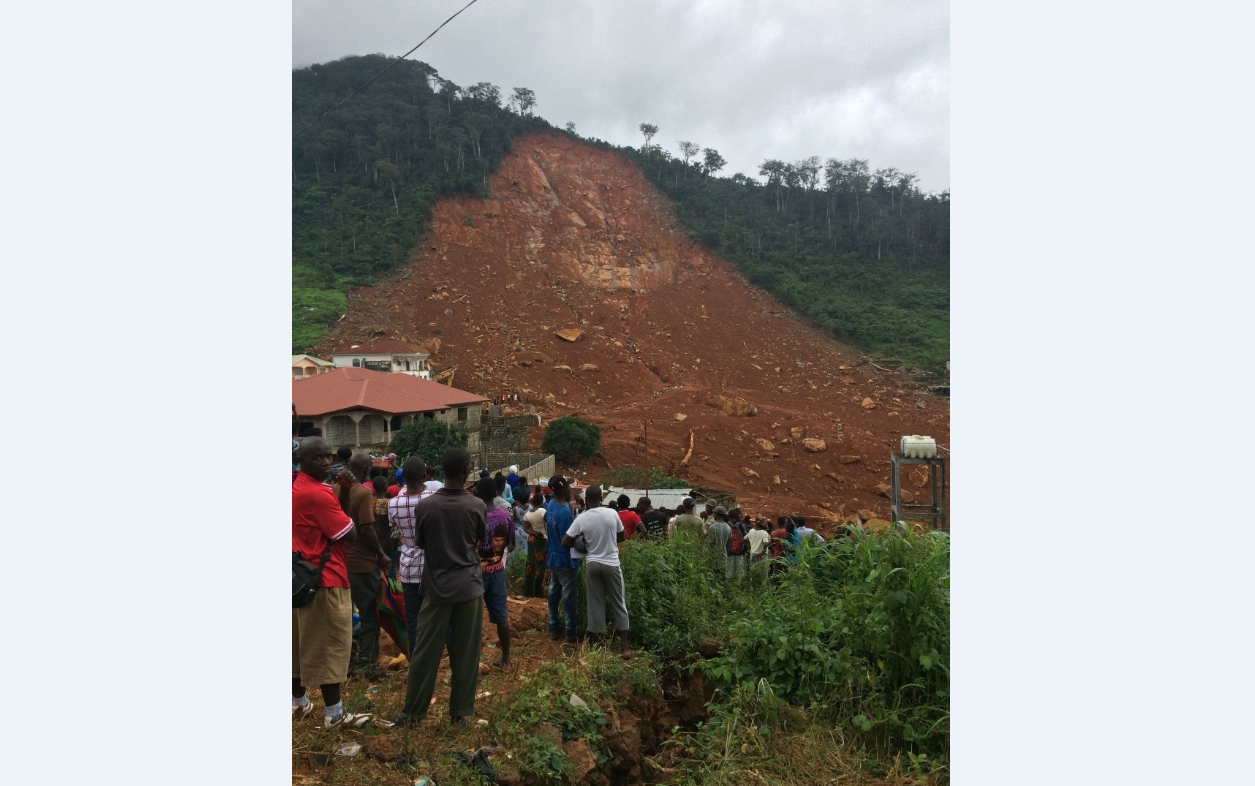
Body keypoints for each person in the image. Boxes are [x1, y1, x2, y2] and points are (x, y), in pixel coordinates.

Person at [394, 447, 486, 728]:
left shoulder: (425, 506)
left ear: (441, 472)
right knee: (465, 653)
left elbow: (420, 543)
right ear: (465, 471)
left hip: (435, 587)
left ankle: (413, 714)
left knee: (425, 652)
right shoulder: (476, 506)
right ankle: (459, 713)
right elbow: (479, 543)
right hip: (469, 587)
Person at [292, 437, 373, 728]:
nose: (326, 462)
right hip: (326, 578)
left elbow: (329, 520)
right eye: (318, 458)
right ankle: (334, 714)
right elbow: (348, 533)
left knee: (299, 643)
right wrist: (347, 494)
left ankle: (298, 703)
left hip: (301, 576)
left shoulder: (297, 487)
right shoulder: (318, 494)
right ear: (302, 460)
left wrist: (342, 491)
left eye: (328, 456)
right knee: (331, 645)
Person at [561, 486, 636, 659]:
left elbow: (565, 542)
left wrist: (581, 544)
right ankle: (624, 648)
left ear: (586, 500)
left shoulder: (582, 518)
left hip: (592, 563)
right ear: (601, 499)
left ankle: (599, 647)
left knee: (595, 604)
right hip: (611, 562)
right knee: (619, 603)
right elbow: (621, 537)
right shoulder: (612, 513)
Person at [340, 453, 390, 679]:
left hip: (342, 562)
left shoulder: (334, 489)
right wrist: (381, 555)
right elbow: (367, 530)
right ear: (368, 469)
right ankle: (366, 664)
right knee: (370, 615)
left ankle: (347, 662)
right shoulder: (363, 492)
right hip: (362, 562)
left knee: (346, 616)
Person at [389, 456, 435, 657]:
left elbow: (393, 532)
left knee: (414, 620)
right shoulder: (433, 498)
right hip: (433, 567)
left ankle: (418, 663)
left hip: (408, 568)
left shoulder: (394, 503)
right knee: (441, 617)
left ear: (403, 478)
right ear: (424, 476)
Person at [474, 477, 515, 668]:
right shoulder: (506, 515)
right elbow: (511, 544)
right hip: (498, 570)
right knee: (501, 617)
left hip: (477, 572)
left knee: (473, 619)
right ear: (497, 492)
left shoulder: (475, 516)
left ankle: (473, 664)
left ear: (478, 494)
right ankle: (506, 659)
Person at [545, 474, 581, 643]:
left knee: (554, 591)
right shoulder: (565, 512)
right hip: (566, 559)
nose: (570, 489)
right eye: (567, 486)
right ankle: (570, 632)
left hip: (553, 556)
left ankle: (553, 627)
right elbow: (566, 540)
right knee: (568, 596)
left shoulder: (551, 505)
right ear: (561, 489)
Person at [521, 489, 549, 597]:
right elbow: (548, 523)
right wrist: (539, 533)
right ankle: (539, 592)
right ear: (541, 501)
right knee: (540, 565)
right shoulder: (542, 511)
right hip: (542, 540)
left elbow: (526, 528)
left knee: (531, 564)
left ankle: (528, 591)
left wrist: (534, 532)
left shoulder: (528, 514)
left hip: (532, 540)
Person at [706, 506, 732, 576]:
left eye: (714, 513)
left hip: (714, 558)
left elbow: (709, 543)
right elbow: (728, 544)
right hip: (724, 558)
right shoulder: (728, 527)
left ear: (716, 514)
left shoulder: (713, 527)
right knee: (722, 577)